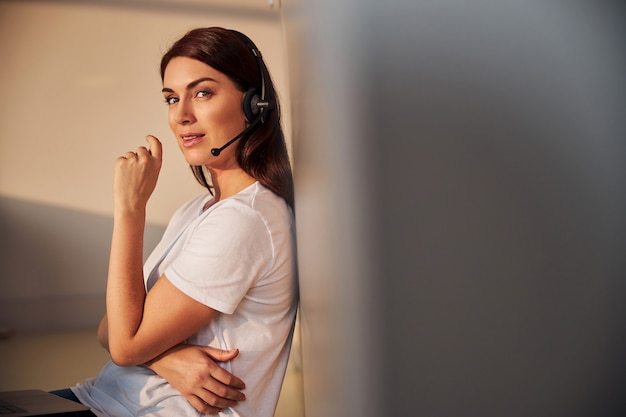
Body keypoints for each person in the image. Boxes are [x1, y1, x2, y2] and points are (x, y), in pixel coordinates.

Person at [52, 27, 298, 417]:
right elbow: (111, 328)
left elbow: (123, 343)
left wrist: (130, 211)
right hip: (104, 400)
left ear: (255, 105)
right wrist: (166, 358)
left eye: (202, 93)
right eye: (171, 98)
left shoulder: (247, 220)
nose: (181, 115)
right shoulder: (199, 210)